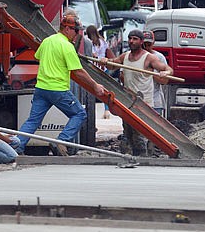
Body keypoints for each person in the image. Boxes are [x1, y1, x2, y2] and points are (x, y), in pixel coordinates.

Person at [17, 14, 107, 156]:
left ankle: (17, 147)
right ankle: (61, 141)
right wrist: (95, 86)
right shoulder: (67, 46)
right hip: (57, 89)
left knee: (33, 121)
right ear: (66, 29)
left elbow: (37, 56)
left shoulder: (47, 41)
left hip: (41, 88)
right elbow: (78, 71)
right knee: (79, 114)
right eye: (75, 30)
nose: (77, 34)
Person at [101, 29, 171, 156]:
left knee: (141, 135)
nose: (131, 41)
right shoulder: (125, 56)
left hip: (144, 104)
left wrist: (166, 72)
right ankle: (132, 158)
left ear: (141, 42)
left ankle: (144, 159)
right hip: (128, 103)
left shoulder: (149, 58)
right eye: (130, 38)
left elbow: (167, 69)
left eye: (135, 39)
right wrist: (106, 61)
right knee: (128, 133)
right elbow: (112, 65)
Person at [85, 24, 115, 119]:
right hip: (103, 67)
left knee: (91, 90)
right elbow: (106, 51)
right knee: (105, 90)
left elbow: (91, 54)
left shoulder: (88, 42)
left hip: (92, 68)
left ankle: (90, 113)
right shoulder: (102, 41)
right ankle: (106, 110)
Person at [142, 30, 173, 116]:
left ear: (153, 43)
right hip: (137, 100)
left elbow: (165, 81)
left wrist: (150, 74)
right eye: (144, 44)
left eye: (149, 44)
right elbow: (123, 77)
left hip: (154, 101)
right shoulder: (132, 56)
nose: (146, 47)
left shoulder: (158, 57)